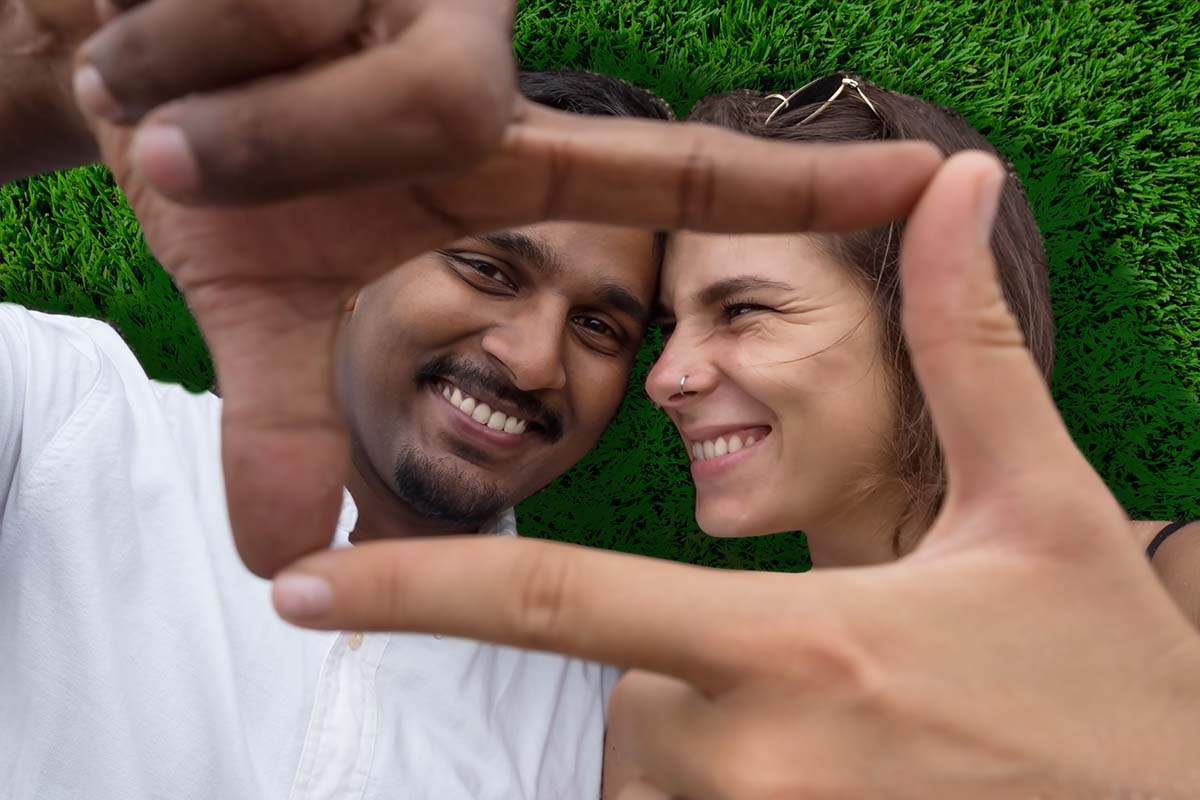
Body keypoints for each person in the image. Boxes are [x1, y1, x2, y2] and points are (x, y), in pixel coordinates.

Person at [2, 7, 941, 797]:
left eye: (600, 329)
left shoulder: (600, 718)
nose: (533, 359)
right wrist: (50, 77)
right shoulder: (63, 419)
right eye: (487, 268)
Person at [272, 108, 1200, 799]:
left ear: (928, 322)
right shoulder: (669, 709)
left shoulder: (1177, 597)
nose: (663, 377)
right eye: (668, 328)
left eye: (744, 310)